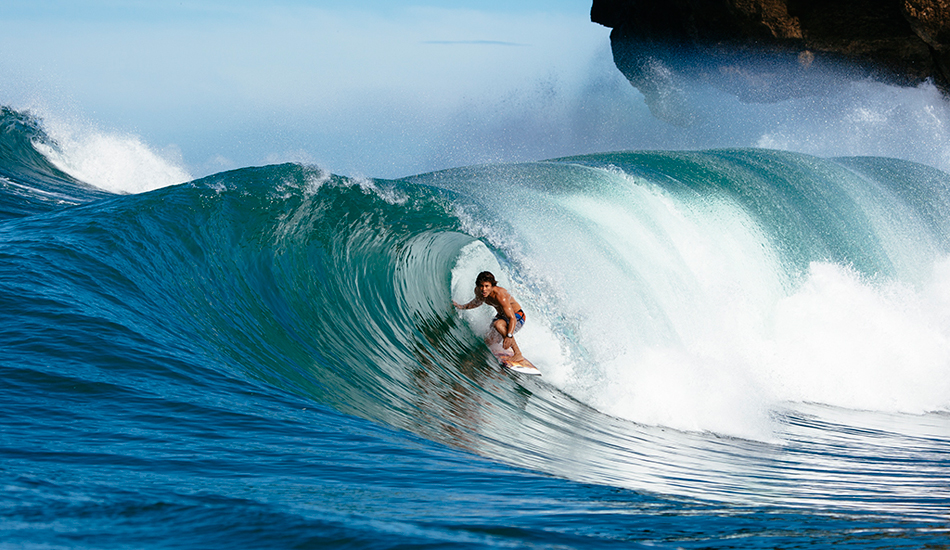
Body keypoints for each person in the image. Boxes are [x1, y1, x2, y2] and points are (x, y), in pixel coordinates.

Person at [453, 271, 526, 361]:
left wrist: (509, 336)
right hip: (502, 316)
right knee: (488, 341)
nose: (483, 289)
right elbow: (477, 302)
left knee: (498, 324)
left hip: (517, 316)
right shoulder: (479, 291)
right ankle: (505, 350)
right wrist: (462, 307)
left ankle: (518, 354)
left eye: (487, 286)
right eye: (481, 286)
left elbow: (512, 318)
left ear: (492, 286)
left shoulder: (500, 296)